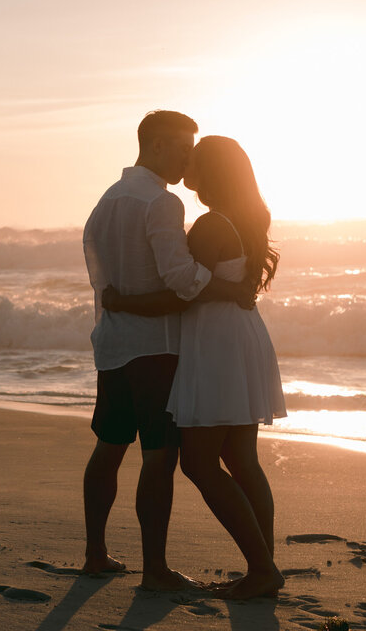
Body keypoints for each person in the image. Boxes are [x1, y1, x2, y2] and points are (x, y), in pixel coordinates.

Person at [104, 135, 286, 599]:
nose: (187, 163)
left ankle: (263, 569)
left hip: (218, 344)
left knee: (200, 464)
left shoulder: (209, 225)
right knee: (242, 460)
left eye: (196, 159)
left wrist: (120, 300)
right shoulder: (244, 218)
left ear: (213, 172)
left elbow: (184, 290)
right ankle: (263, 565)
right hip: (242, 335)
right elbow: (208, 287)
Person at [81, 111, 252, 590]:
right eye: (180, 146)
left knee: (109, 447)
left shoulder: (106, 201)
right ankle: (154, 569)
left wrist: (118, 305)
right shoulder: (162, 201)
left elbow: (101, 278)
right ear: (156, 145)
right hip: (158, 347)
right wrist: (223, 288)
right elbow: (180, 280)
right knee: (159, 456)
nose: (187, 156)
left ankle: (96, 553)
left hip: (113, 343)